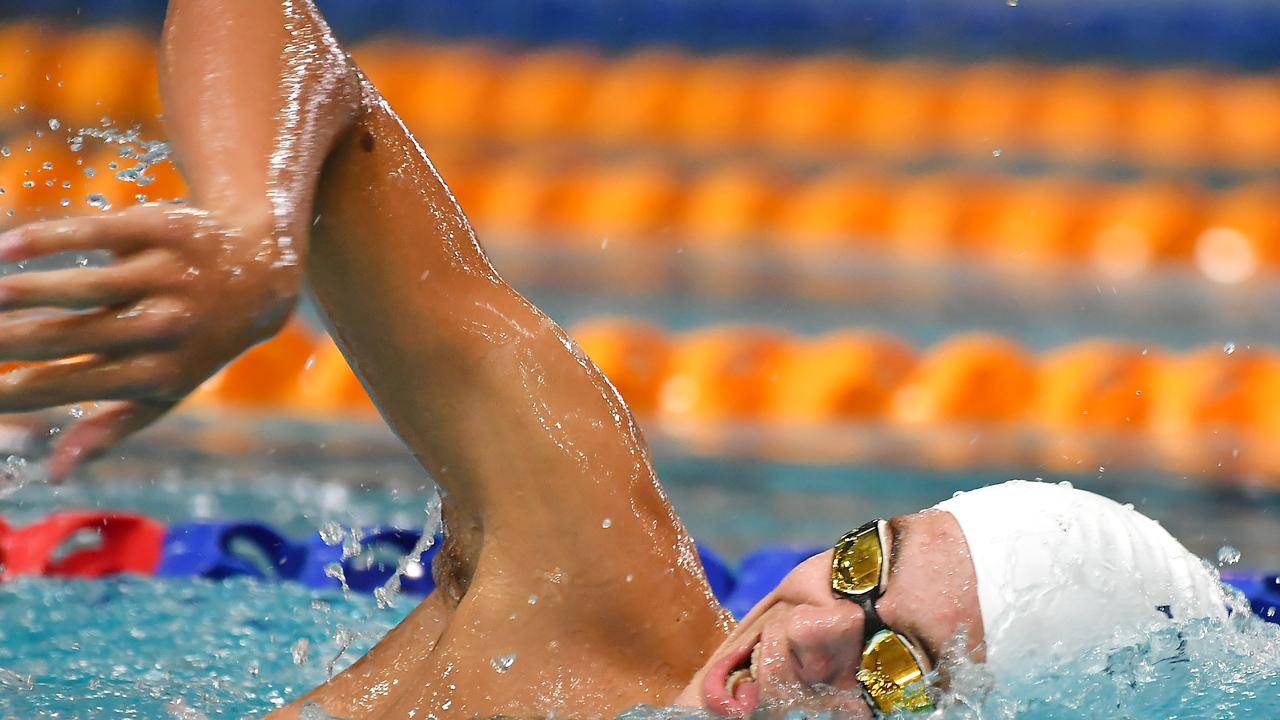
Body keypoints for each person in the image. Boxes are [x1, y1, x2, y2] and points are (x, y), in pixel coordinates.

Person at [0, 1, 1227, 718]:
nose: (811, 632)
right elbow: (265, 20)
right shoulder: (587, 608)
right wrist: (256, 235)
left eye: (898, 670)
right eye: (858, 564)